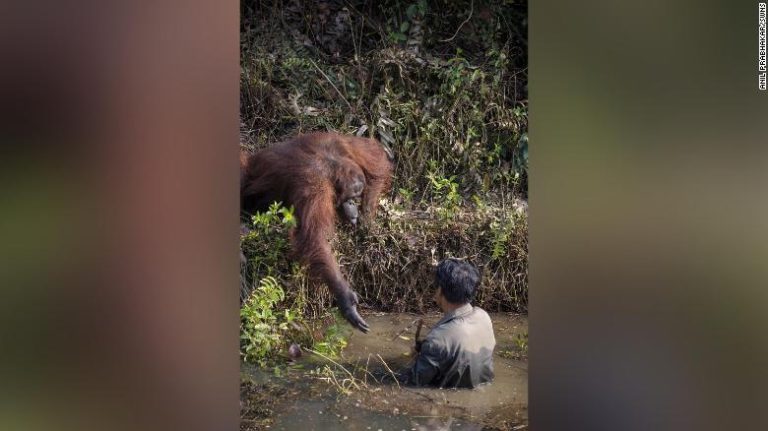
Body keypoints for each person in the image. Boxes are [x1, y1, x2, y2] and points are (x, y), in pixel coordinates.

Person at [407, 258, 496, 389]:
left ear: (440, 290)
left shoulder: (437, 340)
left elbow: (411, 383)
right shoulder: (483, 316)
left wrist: (413, 360)